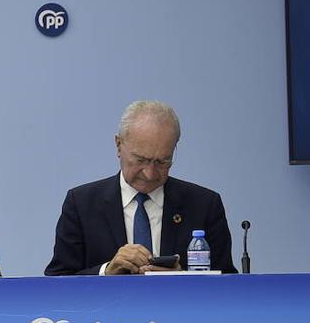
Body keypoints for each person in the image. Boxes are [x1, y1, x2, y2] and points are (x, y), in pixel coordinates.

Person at [45, 100, 236, 275]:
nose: (150, 174)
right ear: (118, 146)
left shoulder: (204, 205)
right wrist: (106, 271)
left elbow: (228, 286)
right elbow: (57, 283)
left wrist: (182, 278)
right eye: (141, 160)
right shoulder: (81, 204)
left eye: (162, 162)